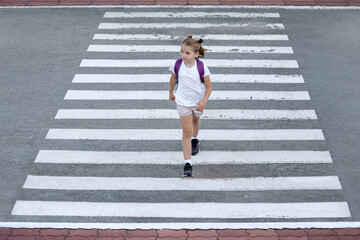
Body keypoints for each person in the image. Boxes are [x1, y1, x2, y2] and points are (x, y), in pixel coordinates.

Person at [169, 35, 212, 177]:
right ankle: (188, 163)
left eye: (187, 53)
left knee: (195, 121)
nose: (183, 55)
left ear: (196, 54)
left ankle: (195, 139)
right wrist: (171, 92)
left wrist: (203, 101)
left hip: (197, 103)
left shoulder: (201, 67)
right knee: (186, 131)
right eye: (181, 51)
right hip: (182, 102)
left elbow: (209, 86)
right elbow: (173, 78)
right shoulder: (178, 64)